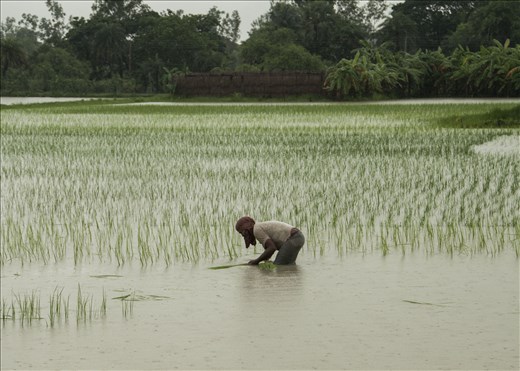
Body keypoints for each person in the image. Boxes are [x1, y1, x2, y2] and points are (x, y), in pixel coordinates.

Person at [235, 216, 305, 265]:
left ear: (246, 229)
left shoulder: (256, 230)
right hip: (298, 237)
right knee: (288, 265)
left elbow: (272, 248)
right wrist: (265, 260)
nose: (243, 235)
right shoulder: (259, 227)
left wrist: (256, 261)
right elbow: (269, 249)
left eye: (242, 232)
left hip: (293, 238)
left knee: (279, 266)